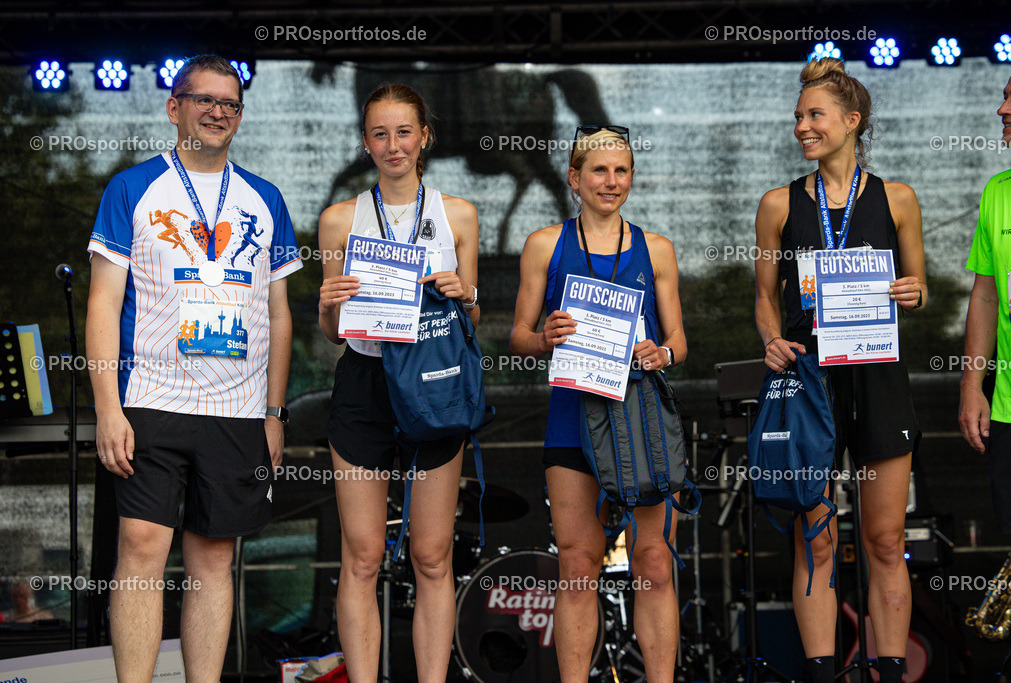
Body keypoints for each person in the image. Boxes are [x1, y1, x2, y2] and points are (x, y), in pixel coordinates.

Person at [85, 54, 300, 682]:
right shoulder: (132, 188)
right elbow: (104, 302)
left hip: (236, 409)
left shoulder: (266, 197)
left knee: (212, 559)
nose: (217, 112)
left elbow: (280, 315)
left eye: (229, 104)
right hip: (150, 397)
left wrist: (275, 412)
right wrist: (107, 407)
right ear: (173, 106)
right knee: (142, 548)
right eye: (203, 99)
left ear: (239, 116)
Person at [753, 58, 926, 683]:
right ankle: (823, 673)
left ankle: (892, 670)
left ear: (852, 122)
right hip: (808, 384)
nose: (802, 126)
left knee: (884, 542)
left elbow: (921, 288)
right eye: (798, 116)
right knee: (815, 538)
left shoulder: (898, 198)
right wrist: (771, 341)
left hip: (877, 380)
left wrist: (911, 293)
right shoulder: (778, 204)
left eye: (814, 115)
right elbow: (766, 297)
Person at [509, 127, 686, 683]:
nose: (612, 182)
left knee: (654, 562)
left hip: (641, 422)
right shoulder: (545, 243)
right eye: (600, 171)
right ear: (575, 179)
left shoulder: (656, 248)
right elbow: (517, 334)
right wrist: (544, 337)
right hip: (572, 419)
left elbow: (680, 339)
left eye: (622, 171)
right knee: (578, 564)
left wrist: (663, 353)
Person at [317, 83, 480, 683]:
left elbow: (473, 318)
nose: (393, 145)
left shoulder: (458, 214)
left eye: (404, 132)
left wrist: (467, 296)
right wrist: (327, 305)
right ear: (366, 142)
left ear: (424, 137)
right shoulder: (339, 219)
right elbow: (334, 330)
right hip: (365, 380)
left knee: (432, 556)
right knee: (361, 557)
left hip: (435, 376)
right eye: (380, 134)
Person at [959, 65, 1011, 613]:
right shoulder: (999, 193)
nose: (1002, 110)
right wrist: (971, 386)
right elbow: (984, 296)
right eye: (1005, 97)